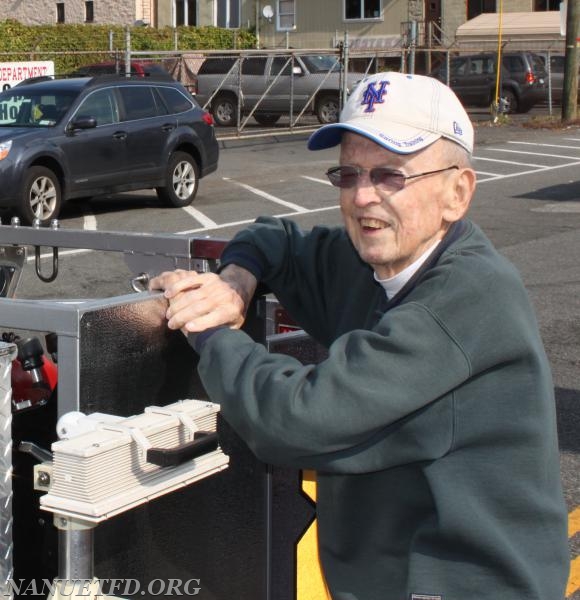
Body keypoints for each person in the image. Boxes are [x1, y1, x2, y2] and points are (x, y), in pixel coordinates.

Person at [150, 72, 570, 600]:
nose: (363, 197)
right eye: (349, 174)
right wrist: (234, 283)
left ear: (457, 193)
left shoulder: (467, 296)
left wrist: (208, 327)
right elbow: (274, 238)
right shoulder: (375, 259)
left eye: (391, 175)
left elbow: (298, 419)